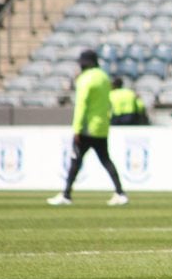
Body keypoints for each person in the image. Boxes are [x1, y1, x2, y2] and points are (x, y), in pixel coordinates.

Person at [47, 49, 128, 206]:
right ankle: (120, 192)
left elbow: (81, 105)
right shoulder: (104, 78)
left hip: (86, 128)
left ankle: (66, 194)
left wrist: (77, 129)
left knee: (75, 160)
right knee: (106, 160)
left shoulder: (85, 79)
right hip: (101, 127)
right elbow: (108, 102)